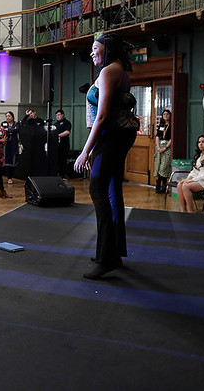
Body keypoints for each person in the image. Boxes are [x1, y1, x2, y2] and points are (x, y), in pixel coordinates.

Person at [74, 32, 139, 280]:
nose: (91, 53)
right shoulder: (121, 71)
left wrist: (85, 151)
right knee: (112, 192)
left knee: (97, 190)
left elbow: (102, 117)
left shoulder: (108, 72)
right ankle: (115, 251)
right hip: (118, 136)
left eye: (95, 48)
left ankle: (106, 258)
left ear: (107, 50)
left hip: (112, 137)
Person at [154, 109, 172, 193]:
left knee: (164, 167)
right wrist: (158, 147)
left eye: (167, 114)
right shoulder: (161, 125)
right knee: (158, 166)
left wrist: (166, 147)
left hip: (167, 147)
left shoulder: (172, 125)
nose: (165, 116)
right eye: (164, 114)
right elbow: (157, 136)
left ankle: (161, 184)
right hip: (159, 146)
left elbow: (172, 138)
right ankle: (161, 186)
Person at [2, 111, 21, 184]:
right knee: (3, 163)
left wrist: (9, 130)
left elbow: (17, 130)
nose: (7, 117)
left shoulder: (16, 123)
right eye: (6, 116)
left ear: (12, 117)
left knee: (12, 163)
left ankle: (10, 178)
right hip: (5, 145)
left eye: (9, 116)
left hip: (13, 145)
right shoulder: (3, 123)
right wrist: (11, 131)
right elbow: (3, 131)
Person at [55, 109, 72, 180]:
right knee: (57, 160)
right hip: (56, 145)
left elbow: (67, 132)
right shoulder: (55, 124)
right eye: (56, 115)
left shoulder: (67, 123)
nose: (57, 117)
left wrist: (58, 135)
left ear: (63, 115)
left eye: (59, 115)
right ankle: (59, 174)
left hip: (64, 144)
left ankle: (65, 175)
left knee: (63, 160)